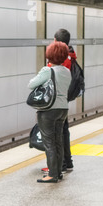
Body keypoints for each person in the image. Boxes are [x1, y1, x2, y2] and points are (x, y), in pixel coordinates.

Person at [29, 41, 71, 183]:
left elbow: (31, 84)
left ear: (49, 56)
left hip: (48, 110)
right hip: (63, 109)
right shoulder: (67, 71)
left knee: (49, 143)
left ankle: (52, 174)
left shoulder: (47, 71)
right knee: (58, 140)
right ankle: (58, 172)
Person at [41, 28, 75, 173]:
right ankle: (67, 162)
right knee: (63, 131)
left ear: (56, 41)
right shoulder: (71, 57)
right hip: (63, 101)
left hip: (55, 102)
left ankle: (58, 166)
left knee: (56, 135)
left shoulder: (60, 60)